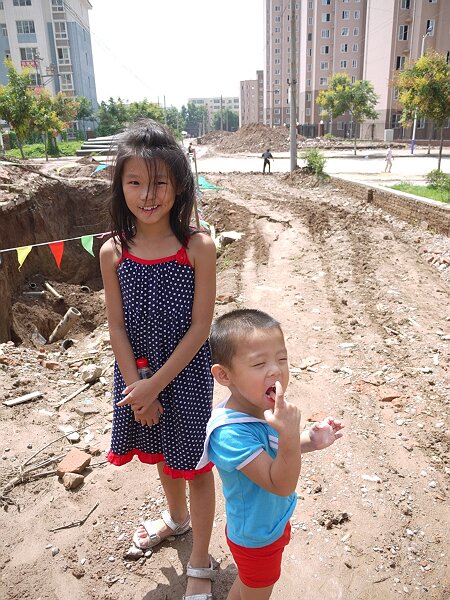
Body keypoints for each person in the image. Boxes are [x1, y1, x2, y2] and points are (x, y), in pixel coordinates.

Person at [99, 119, 217, 600]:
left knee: (196, 465)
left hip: (185, 378)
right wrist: (137, 389)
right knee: (164, 458)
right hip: (136, 377)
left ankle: (201, 561)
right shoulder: (112, 251)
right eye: (135, 182)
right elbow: (117, 327)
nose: (147, 194)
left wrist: (154, 386)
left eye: (159, 182)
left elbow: (200, 327)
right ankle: (176, 519)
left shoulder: (198, 247)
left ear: (178, 184)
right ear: (120, 185)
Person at [197, 309, 344, 600]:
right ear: (224, 375)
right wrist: (289, 433)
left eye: (282, 359)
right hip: (256, 538)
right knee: (257, 591)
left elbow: (272, 451)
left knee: (249, 586)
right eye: (259, 363)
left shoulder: (259, 411)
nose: (275, 370)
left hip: (269, 524)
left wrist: (309, 440)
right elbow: (281, 483)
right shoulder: (230, 434)